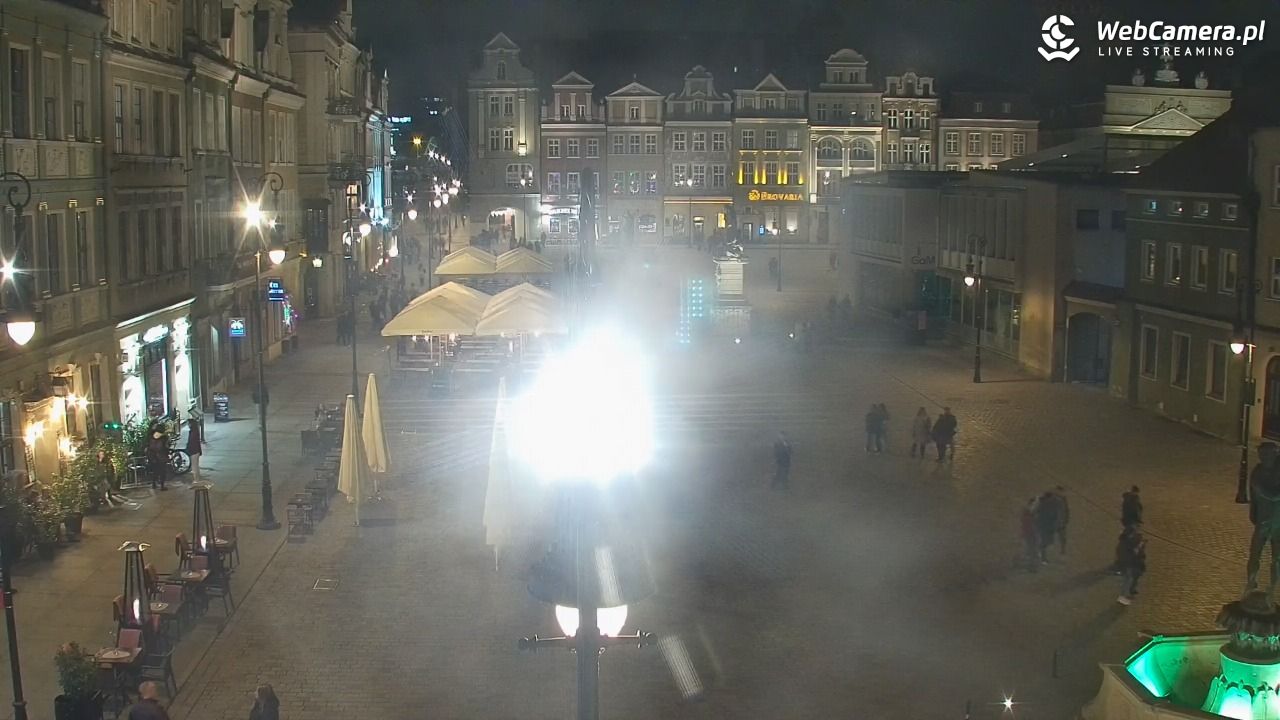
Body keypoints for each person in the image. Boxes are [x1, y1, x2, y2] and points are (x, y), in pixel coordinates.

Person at [1116, 526, 1147, 605]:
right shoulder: (1126, 544)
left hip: (1126, 564)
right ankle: (1123, 596)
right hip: (1127, 564)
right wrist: (1141, 545)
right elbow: (1133, 553)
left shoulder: (1124, 543)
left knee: (1127, 580)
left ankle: (1124, 595)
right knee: (1127, 580)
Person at [1034, 490, 1063, 564]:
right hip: (1043, 525)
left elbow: (1056, 514)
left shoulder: (1052, 504)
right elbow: (1036, 513)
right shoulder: (1042, 504)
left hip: (1049, 526)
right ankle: (1042, 556)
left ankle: (1039, 552)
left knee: (1049, 541)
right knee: (1045, 541)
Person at [147, 423, 169, 491]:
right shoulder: (164, 437)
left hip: (153, 456)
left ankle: (154, 484)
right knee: (162, 471)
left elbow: (149, 445)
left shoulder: (151, 436)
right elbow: (165, 447)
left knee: (155, 471)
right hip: (161, 456)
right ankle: (162, 486)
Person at [1021, 498, 1040, 572]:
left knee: (1032, 549)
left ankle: (1032, 566)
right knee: (1032, 549)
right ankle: (1033, 566)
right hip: (1031, 533)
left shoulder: (1027, 513)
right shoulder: (1029, 513)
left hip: (1030, 533)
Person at [1051, 485, 1071, 554]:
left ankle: (1062, 550)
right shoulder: (1053, 499)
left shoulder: (1063, 500)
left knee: (1062, 538)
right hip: (1055, 523)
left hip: (1061, 523)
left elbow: (1066, 510)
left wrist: (1066, 519)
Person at [185, 418, 203, 483]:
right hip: (196, 450)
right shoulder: (195, 430)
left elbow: (191, 442)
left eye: (188, 423)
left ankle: (196, 480)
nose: (187, 425)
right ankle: (197, 479)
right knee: (196, 466)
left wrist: (188, 448)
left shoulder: (193, 432)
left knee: (194, 466)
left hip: (194, 451)